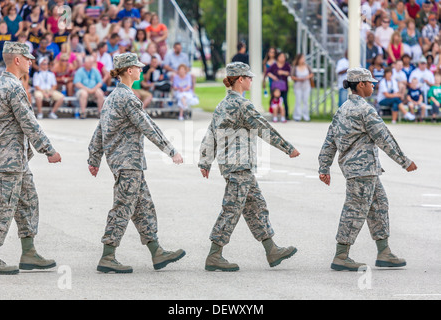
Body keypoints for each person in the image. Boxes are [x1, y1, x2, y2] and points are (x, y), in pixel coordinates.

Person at [87, 52, 186, 273]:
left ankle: (156, 251)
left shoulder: (112, 97)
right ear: (129, 70)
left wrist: (94, 157)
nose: (141, 70)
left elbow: (99, 130)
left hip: (126, 163)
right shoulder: (128, 98)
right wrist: (170, 150)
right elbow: (147, 126)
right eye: (138, 68)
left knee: (143, 208)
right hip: (128, 163)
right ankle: (108, 256)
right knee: (122, 208)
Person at [198, 61, 300, 272]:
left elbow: (211, 134)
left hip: (235, 165)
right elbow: (264, 128)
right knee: (232, 209)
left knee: (257, 207)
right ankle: (214, 255)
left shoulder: (222, 105)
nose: (252, 80)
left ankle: (272, 250)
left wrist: (205, 160)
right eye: (249, 77)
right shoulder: (242, 105)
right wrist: (287, 148)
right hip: (239, 165)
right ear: (240, 80)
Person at [318, 67, 418, 272]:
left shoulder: (342, 109)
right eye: (370, 82)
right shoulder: (365, 110)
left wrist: (324, 166)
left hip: (363, 170)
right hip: (362, 170)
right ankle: (341, 255)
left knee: (379, 205)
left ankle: (384, 252)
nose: (373, 85)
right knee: (354, 211)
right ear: (360, 84)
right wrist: (404, 161)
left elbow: (330, 140)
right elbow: (384, 137)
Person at [0, 41, 62, 275]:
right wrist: (48, 149)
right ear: (18, 60)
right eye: (28, 58)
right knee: (3, 207)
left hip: (16, 157)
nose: (32, 61)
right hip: (9, 158)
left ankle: (29, 252)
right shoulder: (12, 87)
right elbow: (28, 122)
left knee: (28, 202)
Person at [266, 52, 291, 119]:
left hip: (284, 86)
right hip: (276, 87)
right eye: (281, 56)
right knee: (274, 100)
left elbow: (290, 73)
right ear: (278, 57)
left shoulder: (286, 65)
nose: (282, 58)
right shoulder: (274, 65)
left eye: (283, 57)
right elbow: (267, 72)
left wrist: (283, 72)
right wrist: (273, 77)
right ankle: (274, 114)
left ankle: (286, 115)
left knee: (284, 100)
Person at [291, 53, 313, 122]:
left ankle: (306, 116)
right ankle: (297, 116)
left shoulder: (307, 66)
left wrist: (307, 77)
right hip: (298, 86)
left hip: (306, 86)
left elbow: (311, 74)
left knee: (306, 101)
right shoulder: (295, 67)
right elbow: (292, 76)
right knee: (298, 100)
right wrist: (299, 79)